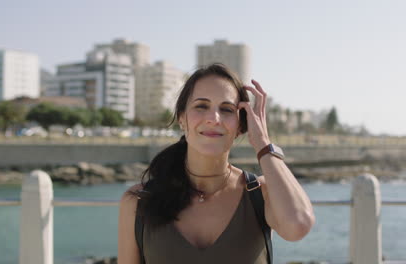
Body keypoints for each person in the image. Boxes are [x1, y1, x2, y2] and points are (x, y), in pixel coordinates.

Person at [118, 63, 315, 264]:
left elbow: (298, 225)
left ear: (241, 126)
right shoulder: (138, 202)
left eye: (227, 109)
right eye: (201, 106)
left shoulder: (260, 194)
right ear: (182, 119)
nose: (214, 118)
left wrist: (264, 145)